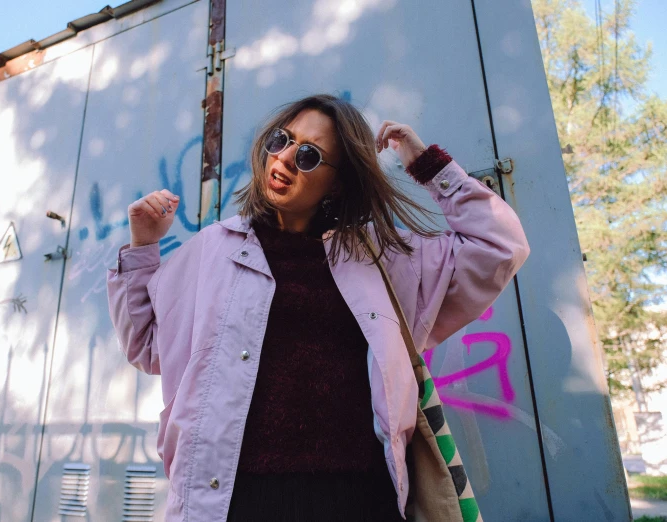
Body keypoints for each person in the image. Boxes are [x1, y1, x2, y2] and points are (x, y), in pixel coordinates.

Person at [107, 94, 529, 521]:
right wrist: (144, 244)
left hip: (357, 499)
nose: (286, 158)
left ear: (338, 182)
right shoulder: (212, 249)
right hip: (234, 499)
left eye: (309, 155)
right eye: (282, 140)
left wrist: (427, 165)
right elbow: (147, 346)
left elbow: (500, 248)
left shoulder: (379, 254)